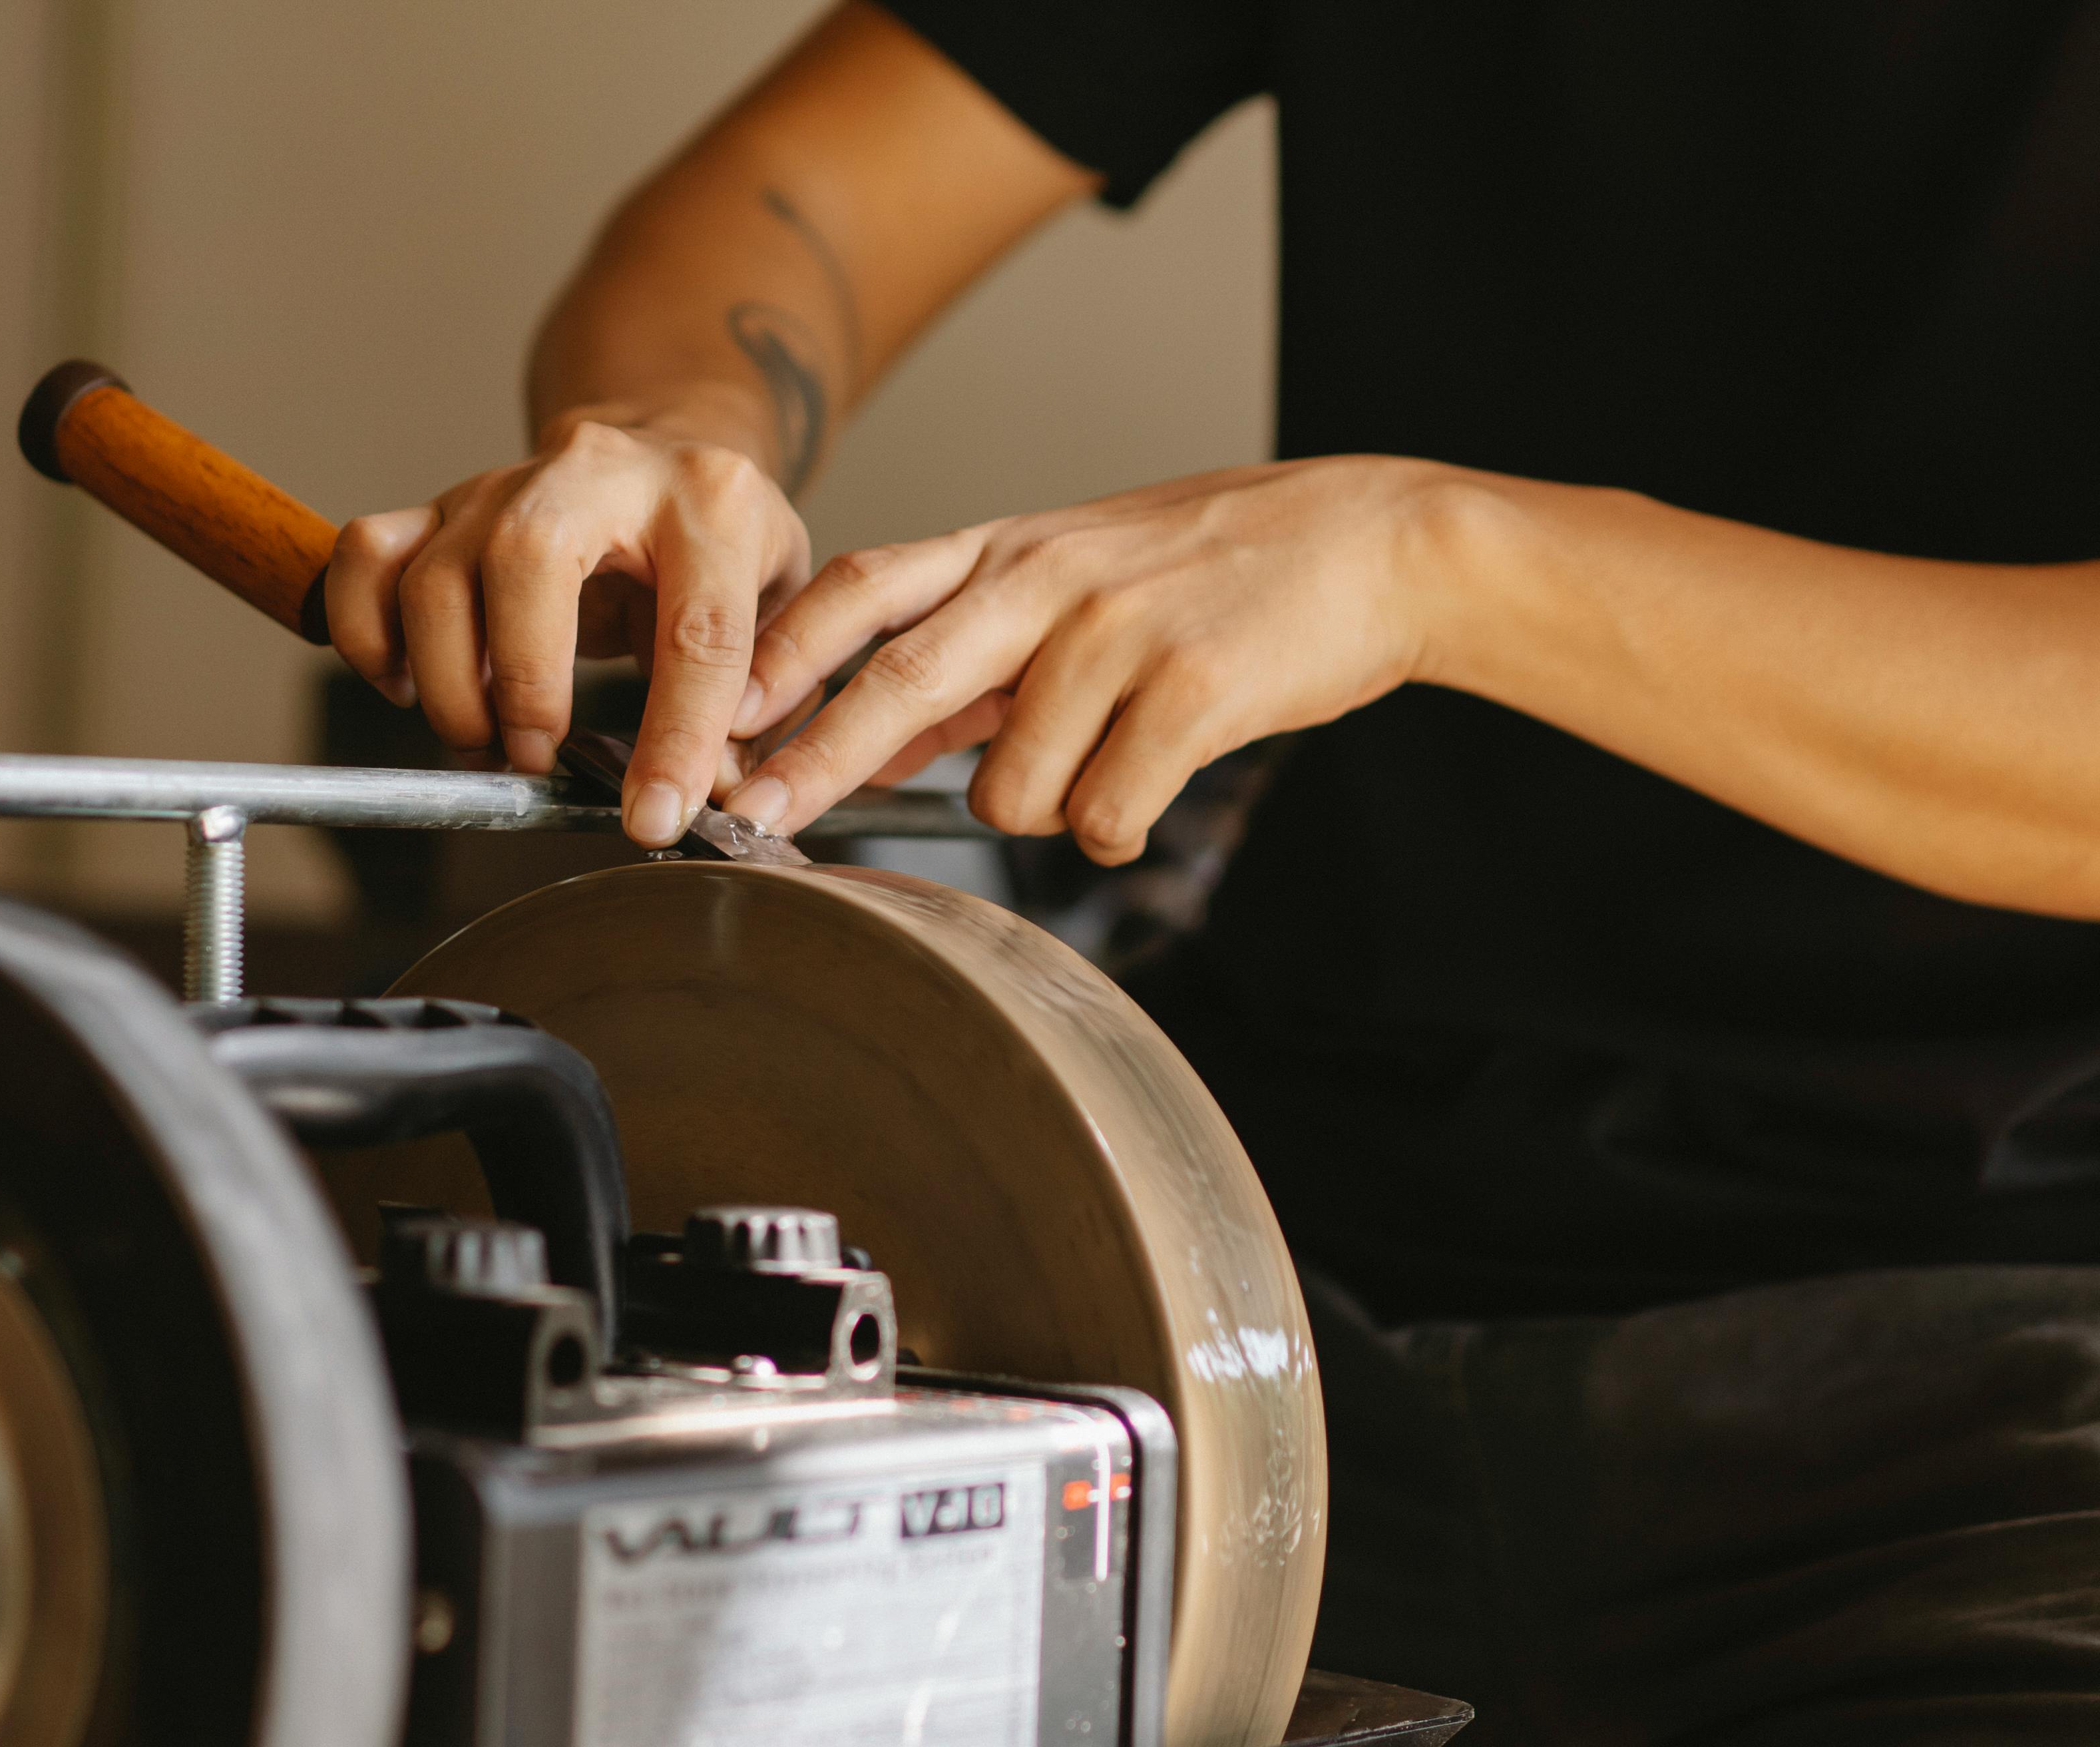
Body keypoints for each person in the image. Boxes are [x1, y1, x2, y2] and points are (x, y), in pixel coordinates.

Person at [325, 6, 2100, 1740]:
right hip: (1263, 1316)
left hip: (2015, 1397)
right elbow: (807, 189)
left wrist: (1438, 564)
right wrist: (675, 427)